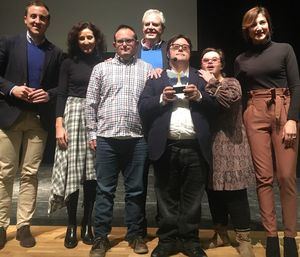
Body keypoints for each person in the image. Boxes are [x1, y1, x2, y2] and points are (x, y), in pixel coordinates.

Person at [139, 34, 218, 257]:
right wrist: (162, 99)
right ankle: (167, 240)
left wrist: (200, 96)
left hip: (195, 147)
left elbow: (215, 109)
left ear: (190, 52)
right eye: (175, 46)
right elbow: (143, 107)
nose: (180, 49)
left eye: (185, 46)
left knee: (193, 199)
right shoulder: (156, 78)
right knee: (166, 197)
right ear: (168, 52)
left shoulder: (201, 77)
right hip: (166, 146)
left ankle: (190, 240)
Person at [234, 6, 300, 257]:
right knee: (263, 178)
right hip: (254, 112)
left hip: (283, 110)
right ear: (248, 30)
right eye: (253, 25)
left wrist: (293, 119)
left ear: (268, 24)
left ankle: (290, 236)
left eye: (262, 23)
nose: (259, 28)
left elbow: (296, 85)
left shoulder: (284, 49)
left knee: (286, 176)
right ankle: (271, 235)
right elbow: (238, 91)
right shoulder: (242, 59)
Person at [0, 0, 63, 249]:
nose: (38, 21)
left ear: (48, 22)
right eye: (34, 17)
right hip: (9, 116)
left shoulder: (55, 52)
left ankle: (24, 225)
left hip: (39, 119)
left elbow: (61, 86)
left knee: (30, 174)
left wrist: (49, 94)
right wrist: (12, 89)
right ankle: (2, 225)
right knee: (4, 172)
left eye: (43, 18)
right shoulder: (8, 42)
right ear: (25, 19)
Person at [86, 24, 152, 257]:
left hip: (137, 139)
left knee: (136, 191)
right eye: (120, 41)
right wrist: (92, 134)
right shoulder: (100, 69)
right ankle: (101, 238)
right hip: (107, 139)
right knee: (104, 191)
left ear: (136, 43)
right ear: (114, 44)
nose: (125, 44)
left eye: (129, 40)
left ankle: (135, 235)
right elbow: (90, 104)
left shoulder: (147, 69)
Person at [48, 21, 106, 249]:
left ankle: (87, 223)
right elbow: (61, 94)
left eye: (90, 37)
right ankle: (71, 224)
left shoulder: (103, 63)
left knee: (91, 174)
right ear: (76, 40)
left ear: (96, 39)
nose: (86, 42)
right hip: (71, 116)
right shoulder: (68, 62)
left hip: (95, 116)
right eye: (82, 38)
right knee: (72, 171)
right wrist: (58, 126)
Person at [199, 48, 255, 257]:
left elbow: (229, 100)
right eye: (206, 60)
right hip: (209, 145)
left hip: (232, 145)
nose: (210, 63)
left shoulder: (231, 82)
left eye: (215, 60)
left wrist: (212, 83)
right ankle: (220, 233)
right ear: (201, 64)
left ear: (221, 63)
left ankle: (244, 239)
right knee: (213, 193)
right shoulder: (199, 84)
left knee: (236, 193)